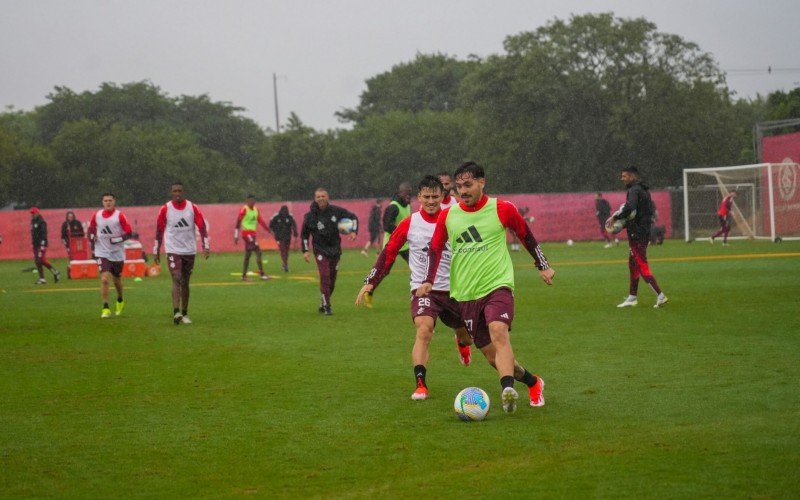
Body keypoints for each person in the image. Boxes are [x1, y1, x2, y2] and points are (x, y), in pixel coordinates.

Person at [416, 161, 554, 414]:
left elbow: (526, 235)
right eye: (458, 187)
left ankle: (506, 390)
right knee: (493, 357)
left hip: (497, 285)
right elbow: (435, 249)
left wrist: (542, 265)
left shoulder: (502, 208)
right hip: (466, 294)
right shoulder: (449, 215)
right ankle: (533, 383)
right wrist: (428, 280)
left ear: (482, 182)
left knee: (498, 330)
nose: (463, 191)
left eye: (468, 185)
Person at [356, 175, 473, 401]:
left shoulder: (454, 220)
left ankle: (462, 344)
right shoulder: (410, 223)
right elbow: (388, 253)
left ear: (442, 197)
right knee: (424, 329)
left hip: (454, 291)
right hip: (422, 291)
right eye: (426, 197)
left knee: (467, 336)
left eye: (435, 197)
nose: (430, 201)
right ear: (419, 197)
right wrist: (371, 281)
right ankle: (421, 384)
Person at [153, 182, 210, 325]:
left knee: (185, 281)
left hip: (189, 249)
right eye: (175, 191)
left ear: (183, 192)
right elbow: (159, 230)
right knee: (176, 277)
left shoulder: (192, 208)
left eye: (180, 191)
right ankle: (176, 312)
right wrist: (156, 249)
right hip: (173, 249)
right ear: (171, 193)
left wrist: (206, 246)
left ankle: (184, 313)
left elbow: (202, 227)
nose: (177, 193)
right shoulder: (166, 208)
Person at [611, 166, 668, 309]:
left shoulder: (634, 190)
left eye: (624, 176)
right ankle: (632, 297)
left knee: (641, 264)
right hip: (642, 231)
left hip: (636, 233)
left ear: (632, 176)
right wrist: (625, 222)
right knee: (633, 263)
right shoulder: (643, 189)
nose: (622, 179)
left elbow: (630, 208)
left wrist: (616, 217)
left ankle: (660, 295)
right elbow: (642, 212)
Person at [301, 188, 359, 315]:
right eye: (318, 197)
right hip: (320, 249)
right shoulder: (310, 216)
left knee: (332, 280)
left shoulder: (336, 211)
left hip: (335, 250)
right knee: (325, 276)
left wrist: (354, 231)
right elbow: (304, 235)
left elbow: (353, 217)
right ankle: (327, 305)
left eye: (323, 196)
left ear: (328, 197)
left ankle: (323, 301)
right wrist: (305, 250)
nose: (321, 198)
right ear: (315, 199)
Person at [87, 193, 133, 318]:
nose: (108, 203)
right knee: (104, 279)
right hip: (102, 252)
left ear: (114, 201)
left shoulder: (119, 216)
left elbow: (129, 232)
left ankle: (120, 299)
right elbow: (90, 230)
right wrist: (92, 237)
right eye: (105, 200)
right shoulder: (97, 215)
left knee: (117, 280)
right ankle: (105, 308)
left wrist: (118, 239)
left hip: (117, 253)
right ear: (102, 202)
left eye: (110, 200)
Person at [234, 194, 272, 281]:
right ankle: (262, 274)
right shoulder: (244, 209)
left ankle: (244, 276)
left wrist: (268, 230)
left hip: (252, 235)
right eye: (250, 200)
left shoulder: (256, 210)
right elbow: (238, 221)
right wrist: (236, 235)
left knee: (248, 255)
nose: (252, 202)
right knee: (258, 251)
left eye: (253, 200)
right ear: (247, 201)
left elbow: (261, 221)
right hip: (246, 234)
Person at [29, 207, 61, 284]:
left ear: (37, 213)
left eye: (33, 213)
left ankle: (55, 271)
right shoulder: (33, 221)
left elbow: (44, 234)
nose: (32, 215)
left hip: (41, 244)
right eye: (31, 213)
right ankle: (42, 278)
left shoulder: (42, 222)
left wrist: (43, 244)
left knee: (41, 260)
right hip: (35, 244)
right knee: (37, 261)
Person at [269, 205, 298, 272]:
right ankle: (285, 265)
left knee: (286, 251)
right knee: (283, 250)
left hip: (288, 236)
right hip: (279, 237)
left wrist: (295, 231)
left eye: (286, 211)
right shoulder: (276, 216)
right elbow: (270, 225)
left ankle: (284, 264)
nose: (285, 213)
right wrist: (274, 232)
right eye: (284, 211)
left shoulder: (290, 216)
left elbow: (293, 224)